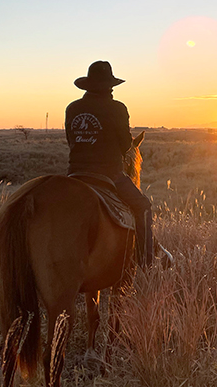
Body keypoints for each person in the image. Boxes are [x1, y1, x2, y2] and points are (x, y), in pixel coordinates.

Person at [65, 61, 153, 267]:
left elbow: (71, 141)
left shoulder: (73, 108)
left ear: (88, 85)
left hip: (74, 174)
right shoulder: (117, 108)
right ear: (108, 86)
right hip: (109, 174)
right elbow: (125, 146)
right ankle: (146, 262)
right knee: (143, 206)